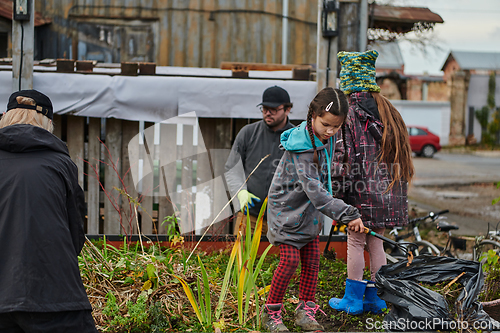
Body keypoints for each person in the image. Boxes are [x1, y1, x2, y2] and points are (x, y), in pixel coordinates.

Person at [261, 87, 364, 332]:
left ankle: (305, 310)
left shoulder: (322, 139)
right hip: (286, 212)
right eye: (326, 124)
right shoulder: (302, 147)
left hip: (307, 212)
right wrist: (348, 214)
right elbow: (317, 192)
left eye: (336, 127)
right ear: (313, 115)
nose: (331, 131)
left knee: (312, 261)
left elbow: (325, 179)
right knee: (289, 261)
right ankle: (271, 312)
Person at [0, 90, 98, 332]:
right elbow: (75, 235)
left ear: (5, 117)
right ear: (47, 123)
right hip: (54, 297)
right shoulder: (61, 165)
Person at [328, 50, 415, 315]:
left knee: (355, 243)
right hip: (388, 194)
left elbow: (344, 160)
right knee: (377, 243)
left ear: (348, 83)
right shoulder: (390, 112)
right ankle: (376, 298)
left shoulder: (350, 114)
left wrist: (338, 199)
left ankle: (352, 300)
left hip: (360, 193)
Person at [225, 85, 294, 234]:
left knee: (276, 258)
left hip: (283, 218)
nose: (268, 113)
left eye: (273, 109)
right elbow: (232, 169)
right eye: (264, 109)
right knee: (242, 257)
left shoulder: (296, 138)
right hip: (249, 216)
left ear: (287, 109)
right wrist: (240, 192)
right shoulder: (248, 133)